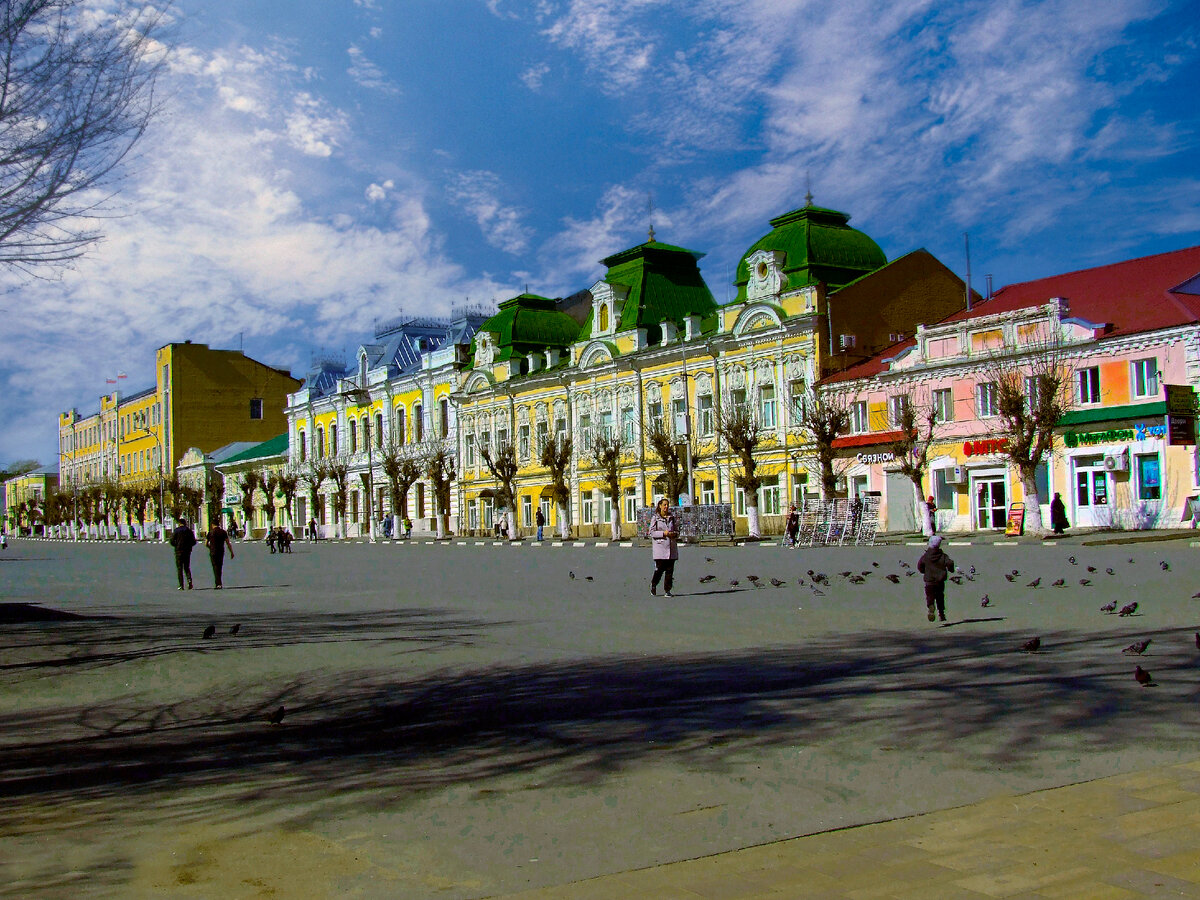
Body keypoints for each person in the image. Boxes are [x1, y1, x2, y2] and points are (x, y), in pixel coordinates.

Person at [917, 534, 955, 623]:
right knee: (940, 596)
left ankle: (931, 606)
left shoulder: (925, 556)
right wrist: (951, 569)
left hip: (929, 581)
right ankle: (941, 614)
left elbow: (920, 565)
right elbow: (949, 563)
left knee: (929, 596)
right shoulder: (943, 556)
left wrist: (924, 571)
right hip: (940, 581)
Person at [648, 497, 679, 597]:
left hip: (671, 547)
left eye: (667, 505)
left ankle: (667, 590)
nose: (666, 507)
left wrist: (674, 534)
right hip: (660, 548)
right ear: (660, 506)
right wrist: (664, 533)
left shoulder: (672, 518)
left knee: (670, 571)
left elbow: (677, 530)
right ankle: (653, 584)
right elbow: (652, 533)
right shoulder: (655, 518)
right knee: (659, 570)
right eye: (664, 505)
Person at [206, 519, 235, 589]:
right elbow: (228, 543)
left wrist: (210, 547)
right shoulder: (223, 532)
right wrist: (231, 552)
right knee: (219, 567)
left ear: (212, 525)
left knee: (215, 567)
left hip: (213, 552)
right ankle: (219, 583)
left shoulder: (210, 533)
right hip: (220, 551)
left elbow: (206, 543)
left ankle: (218, 583)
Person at [169, 518, 197, 590]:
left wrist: (176, 545)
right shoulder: (189, 531)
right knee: (187, 567)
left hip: (178, 551)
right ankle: (189, 581)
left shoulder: (176, 531)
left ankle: (181, 585)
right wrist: (189, 546)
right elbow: (194, 541)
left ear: (179, 523)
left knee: (179, 568)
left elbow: (171, 541)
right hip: (187, 551)